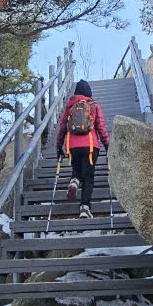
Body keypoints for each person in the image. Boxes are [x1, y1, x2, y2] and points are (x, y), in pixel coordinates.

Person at [55, 80, 110, 218]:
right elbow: (101, 127)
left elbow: (62, 127)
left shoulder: (69, 107)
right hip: (90, 147)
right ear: (88, 92)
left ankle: (74, 180)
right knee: (89, 177)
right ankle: (84, 208)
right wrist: (107, 145)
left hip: (72, 147)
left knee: (77, 170)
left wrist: (58, 146)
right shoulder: (94, 106)